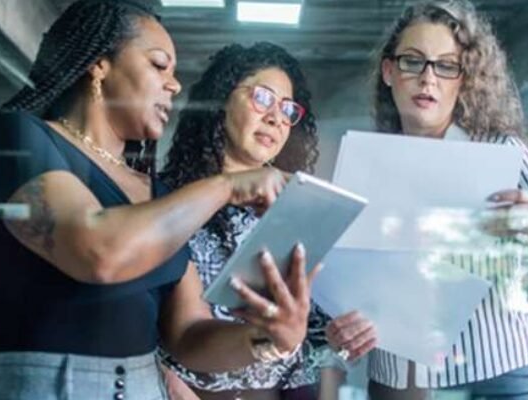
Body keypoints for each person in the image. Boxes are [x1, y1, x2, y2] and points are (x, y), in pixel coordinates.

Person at [0, 1, 317, 398]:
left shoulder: (154, 192)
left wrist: (267, 340)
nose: (174, 84)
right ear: (99, 63)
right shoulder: (18, 137)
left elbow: (188, 334)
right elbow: (97, 251)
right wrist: (227, 186)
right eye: (159, 65)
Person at [365, 1, 528, 399]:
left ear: (463, 79)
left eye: (446, 65)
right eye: (413, 62)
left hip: (496, 379)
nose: (428, 78)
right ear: (389, 71)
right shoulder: (365, 167)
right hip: (396, 383)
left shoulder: (504, 155)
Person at [159, 42, 378, 400]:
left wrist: (340, 338)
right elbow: (139, 317)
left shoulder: (300, 206)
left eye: (288, 108)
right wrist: (160, 373)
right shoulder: (171, 199)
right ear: (221, 100)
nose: (276, 117)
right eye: (262, 98)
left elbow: (310, 337)